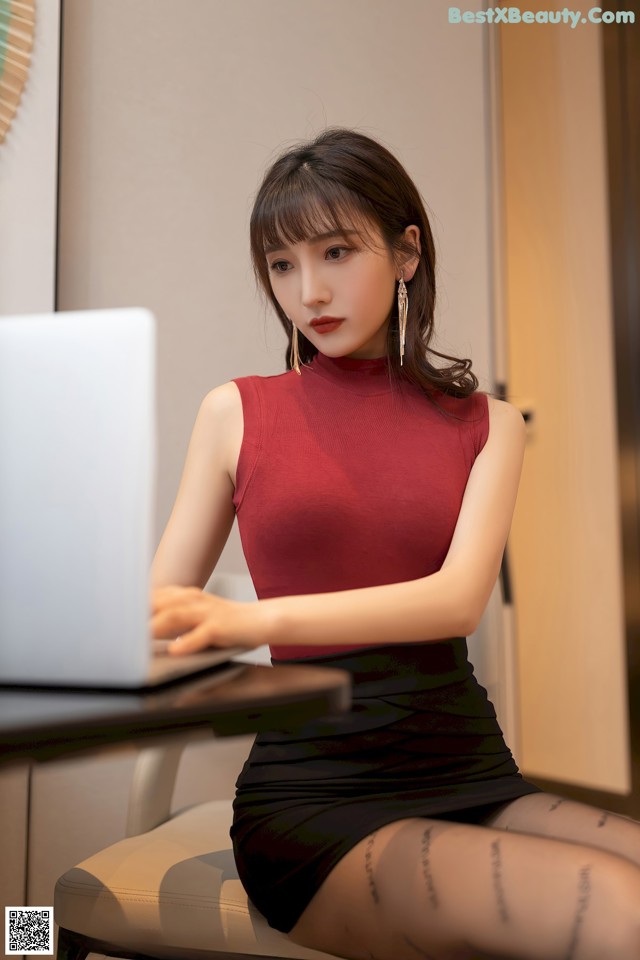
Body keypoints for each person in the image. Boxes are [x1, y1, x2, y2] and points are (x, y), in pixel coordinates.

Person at [149, 127, 640, 960]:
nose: (309, 291)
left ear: (407, 253)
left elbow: (455, 600)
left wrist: (251, 624)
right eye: (282, 265)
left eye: (337, 252)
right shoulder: (235, 411)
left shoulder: (490, 423)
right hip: (316, 800)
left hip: (466, 767)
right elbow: (163, 615)